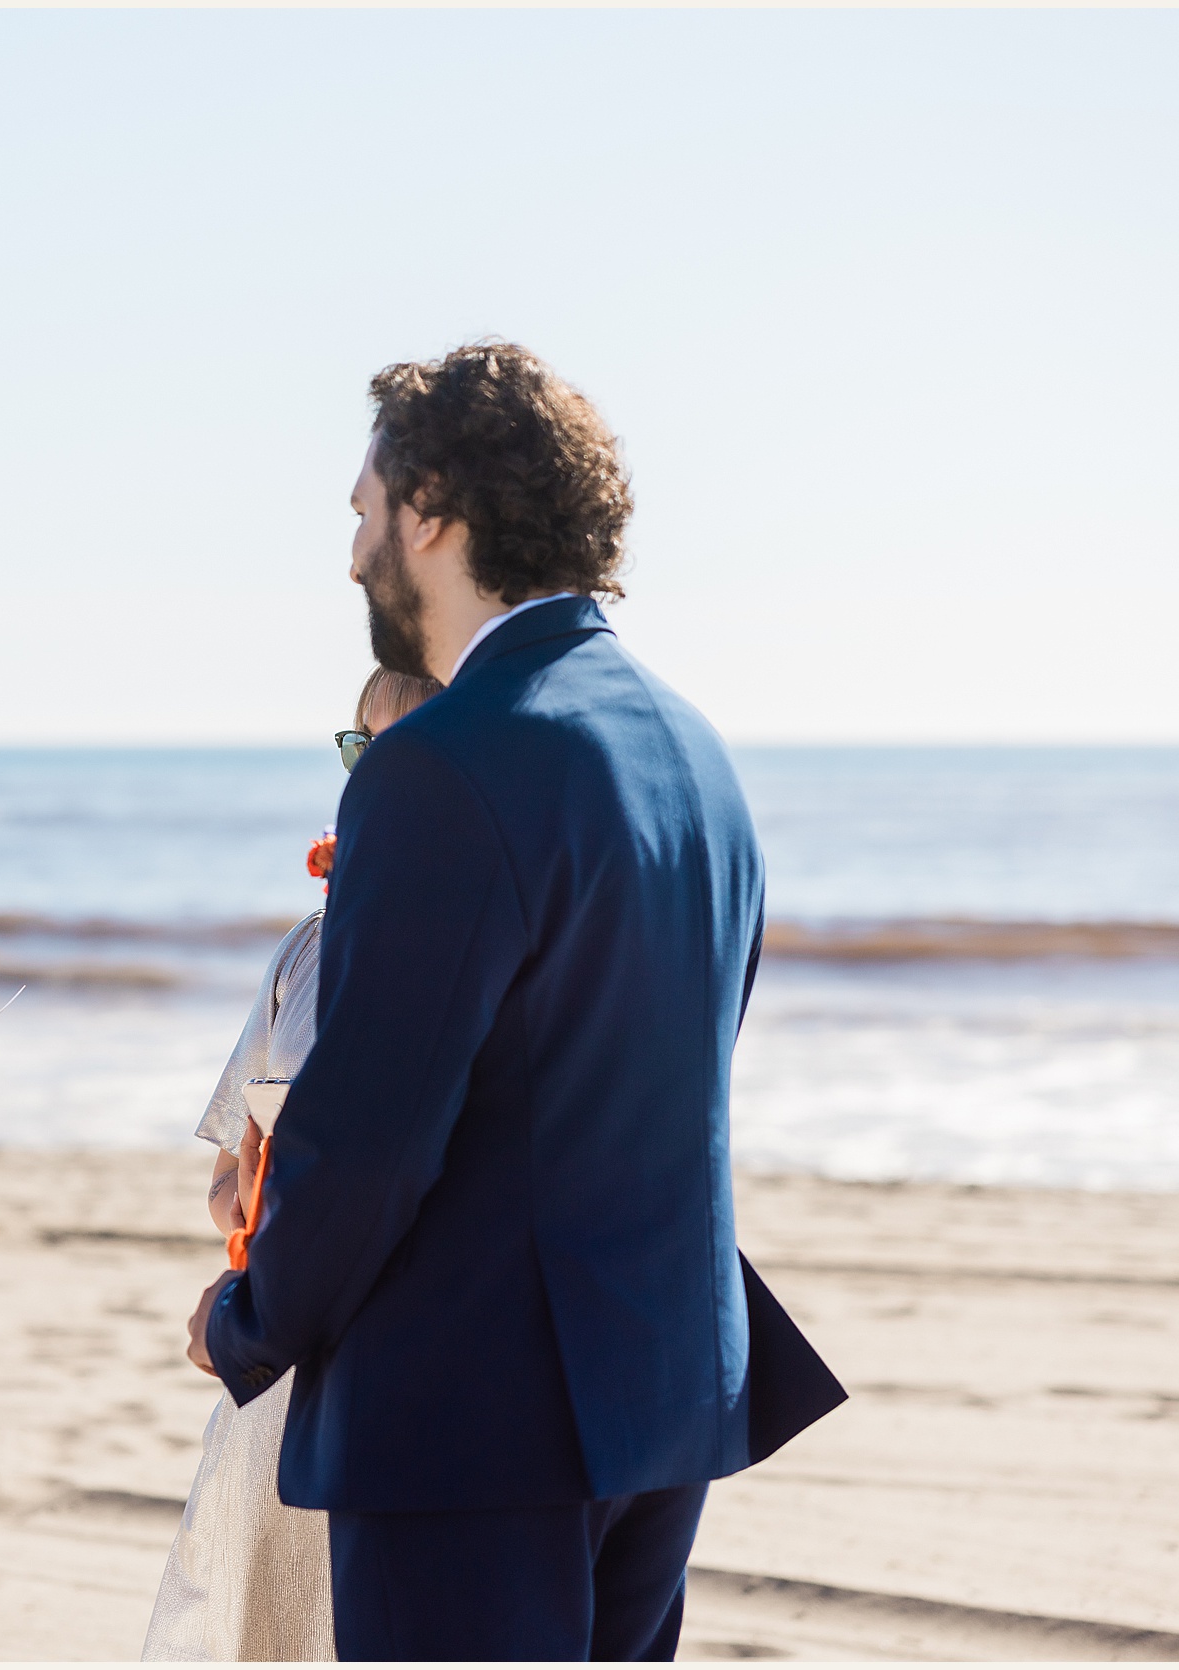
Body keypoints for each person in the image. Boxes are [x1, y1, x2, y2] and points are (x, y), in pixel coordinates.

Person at [184, 342, 846, 1661]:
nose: (355, 551)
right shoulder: (693, 748)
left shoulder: (442, 765)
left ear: (432, 512)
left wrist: (249, 1318)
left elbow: (371, 1126)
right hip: (660, 1393)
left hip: (472, 1422)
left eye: (366, 511)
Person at [141, 665, 440, 1663]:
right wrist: (256, 1202)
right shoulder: (306, 951)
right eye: (359, 749)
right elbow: (230, 1174)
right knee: (270, 1625)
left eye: (406, 750)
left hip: (408, 1358)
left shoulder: (476, 948)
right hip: (285, 1356)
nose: (372, 777)